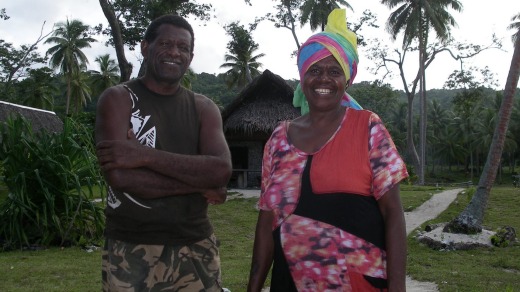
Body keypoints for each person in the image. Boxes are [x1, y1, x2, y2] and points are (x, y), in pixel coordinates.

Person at [247, 9, 409, 292]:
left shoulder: (368, 128)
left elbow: (393, 215)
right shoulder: (278, 138)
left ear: (347, 80)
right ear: (302, 76)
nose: (324, 79)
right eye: (315, 70)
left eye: (335, 71)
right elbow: (267, 223)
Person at [95, 14, 232, 291]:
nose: (174, 53)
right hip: (131, 245)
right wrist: (199, 184)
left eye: (183, 48)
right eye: (166, 44)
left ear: (191, 57)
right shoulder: (119, 99)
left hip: (196, 243)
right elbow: (121, 178)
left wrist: (143, 156)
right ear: (146, 47)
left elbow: (221, 170)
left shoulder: (204, 108)